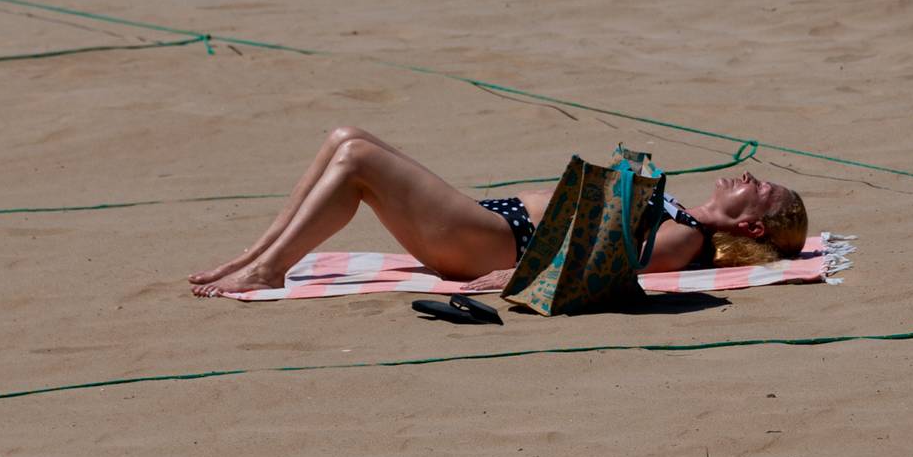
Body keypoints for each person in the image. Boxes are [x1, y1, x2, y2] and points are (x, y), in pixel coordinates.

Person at [189, 127, 808, 296]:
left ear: (752, 226)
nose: (749, 177)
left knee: (357, 159)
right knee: (344, 137)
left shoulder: (685, 239)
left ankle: (270, 270)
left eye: (761, 190)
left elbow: (605, 273)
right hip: (489, 224)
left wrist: (513, 278)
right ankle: (259, 254)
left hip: (491, 241)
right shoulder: (680, 215)